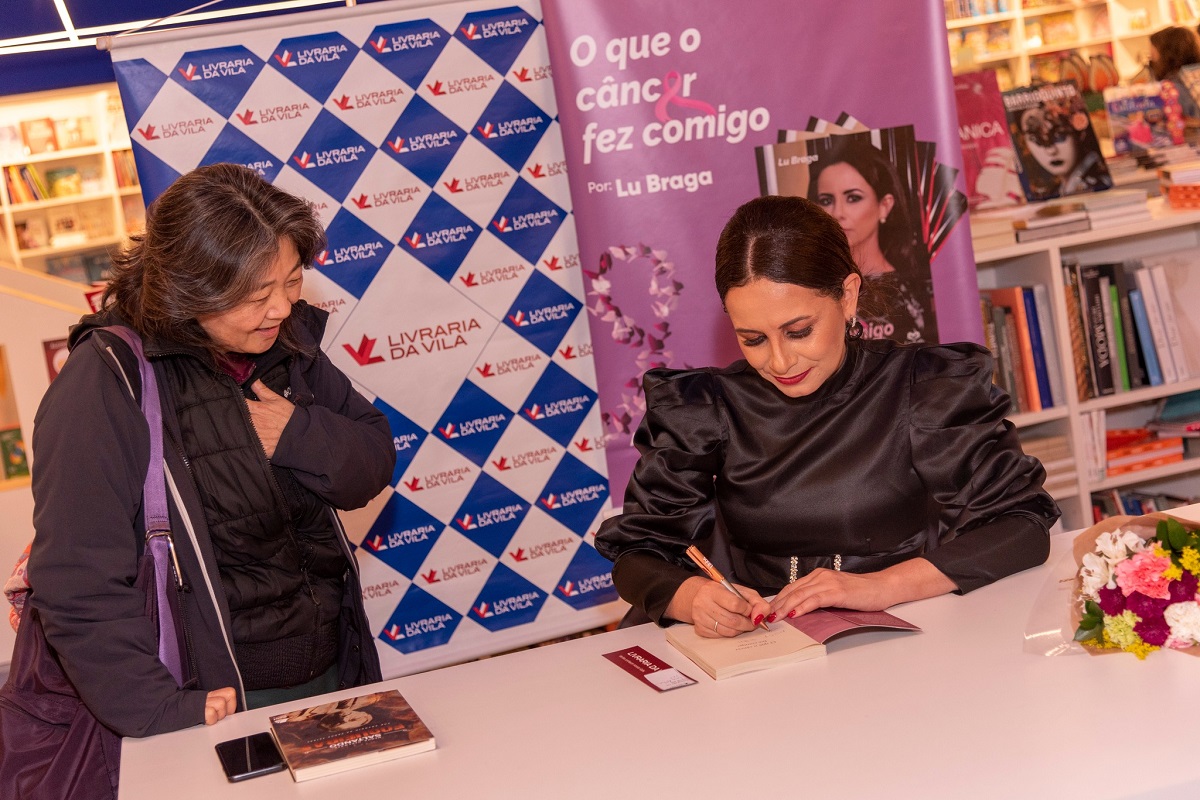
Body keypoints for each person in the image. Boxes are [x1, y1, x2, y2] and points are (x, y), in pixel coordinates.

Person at [24, 163, 393, 738]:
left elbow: (370, 461)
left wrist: (297, 434)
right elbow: (76, 582)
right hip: (210, 694)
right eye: (255, 295)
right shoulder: (105, 385)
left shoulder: (283, 342)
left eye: (292, 281)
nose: (281, 308)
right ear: (188, 290)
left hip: (331, 668)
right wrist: (157, 710)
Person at [595, 195, 1059, 637]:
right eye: (752, 339)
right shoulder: (704, 409)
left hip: (899, 632)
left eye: (798, 332)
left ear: (848, 295)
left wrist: (879, 587)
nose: (779, 362)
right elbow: (637, 554)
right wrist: (692, 597)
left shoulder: (924, 387)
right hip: (766, 644)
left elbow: (1021, 527)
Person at [807, 139, 936, 345]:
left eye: (853, 198)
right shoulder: (809, 289)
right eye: (826, 201)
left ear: (884, 205)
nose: (838, 213)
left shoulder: (917, 292)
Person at [1013, 102, 1112, 200]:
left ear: (1079, 133)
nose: (1051, 150)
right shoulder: (1053, 191)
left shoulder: (1099, 182)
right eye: (1035, 139)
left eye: (1060, 135)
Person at [1151, 26, 1200, 118]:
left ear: (1166, 56)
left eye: (1153, 55)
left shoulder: (1172, 88)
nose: (1151, 61)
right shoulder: (1194, 75)